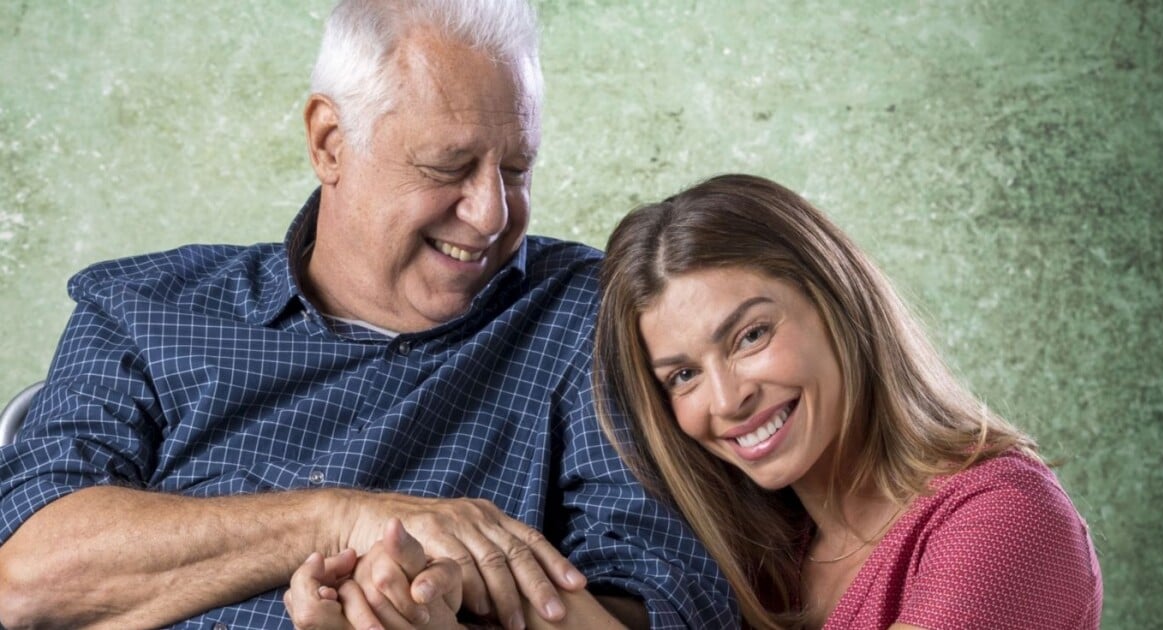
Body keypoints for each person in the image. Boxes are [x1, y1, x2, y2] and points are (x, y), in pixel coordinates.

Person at [0, 2, 736, 628]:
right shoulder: (140, 307)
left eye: (516, 169)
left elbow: (672, 599)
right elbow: (26, 579)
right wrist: (341, 519)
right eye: (447, 168)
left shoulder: (590, 315)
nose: (489, 214)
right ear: (329, 142)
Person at [593, 173, 1103, 629]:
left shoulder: (1004, 519)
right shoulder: (761, 563)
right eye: (683, 375)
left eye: (751, 336)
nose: (728, 400)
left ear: (838, 300)